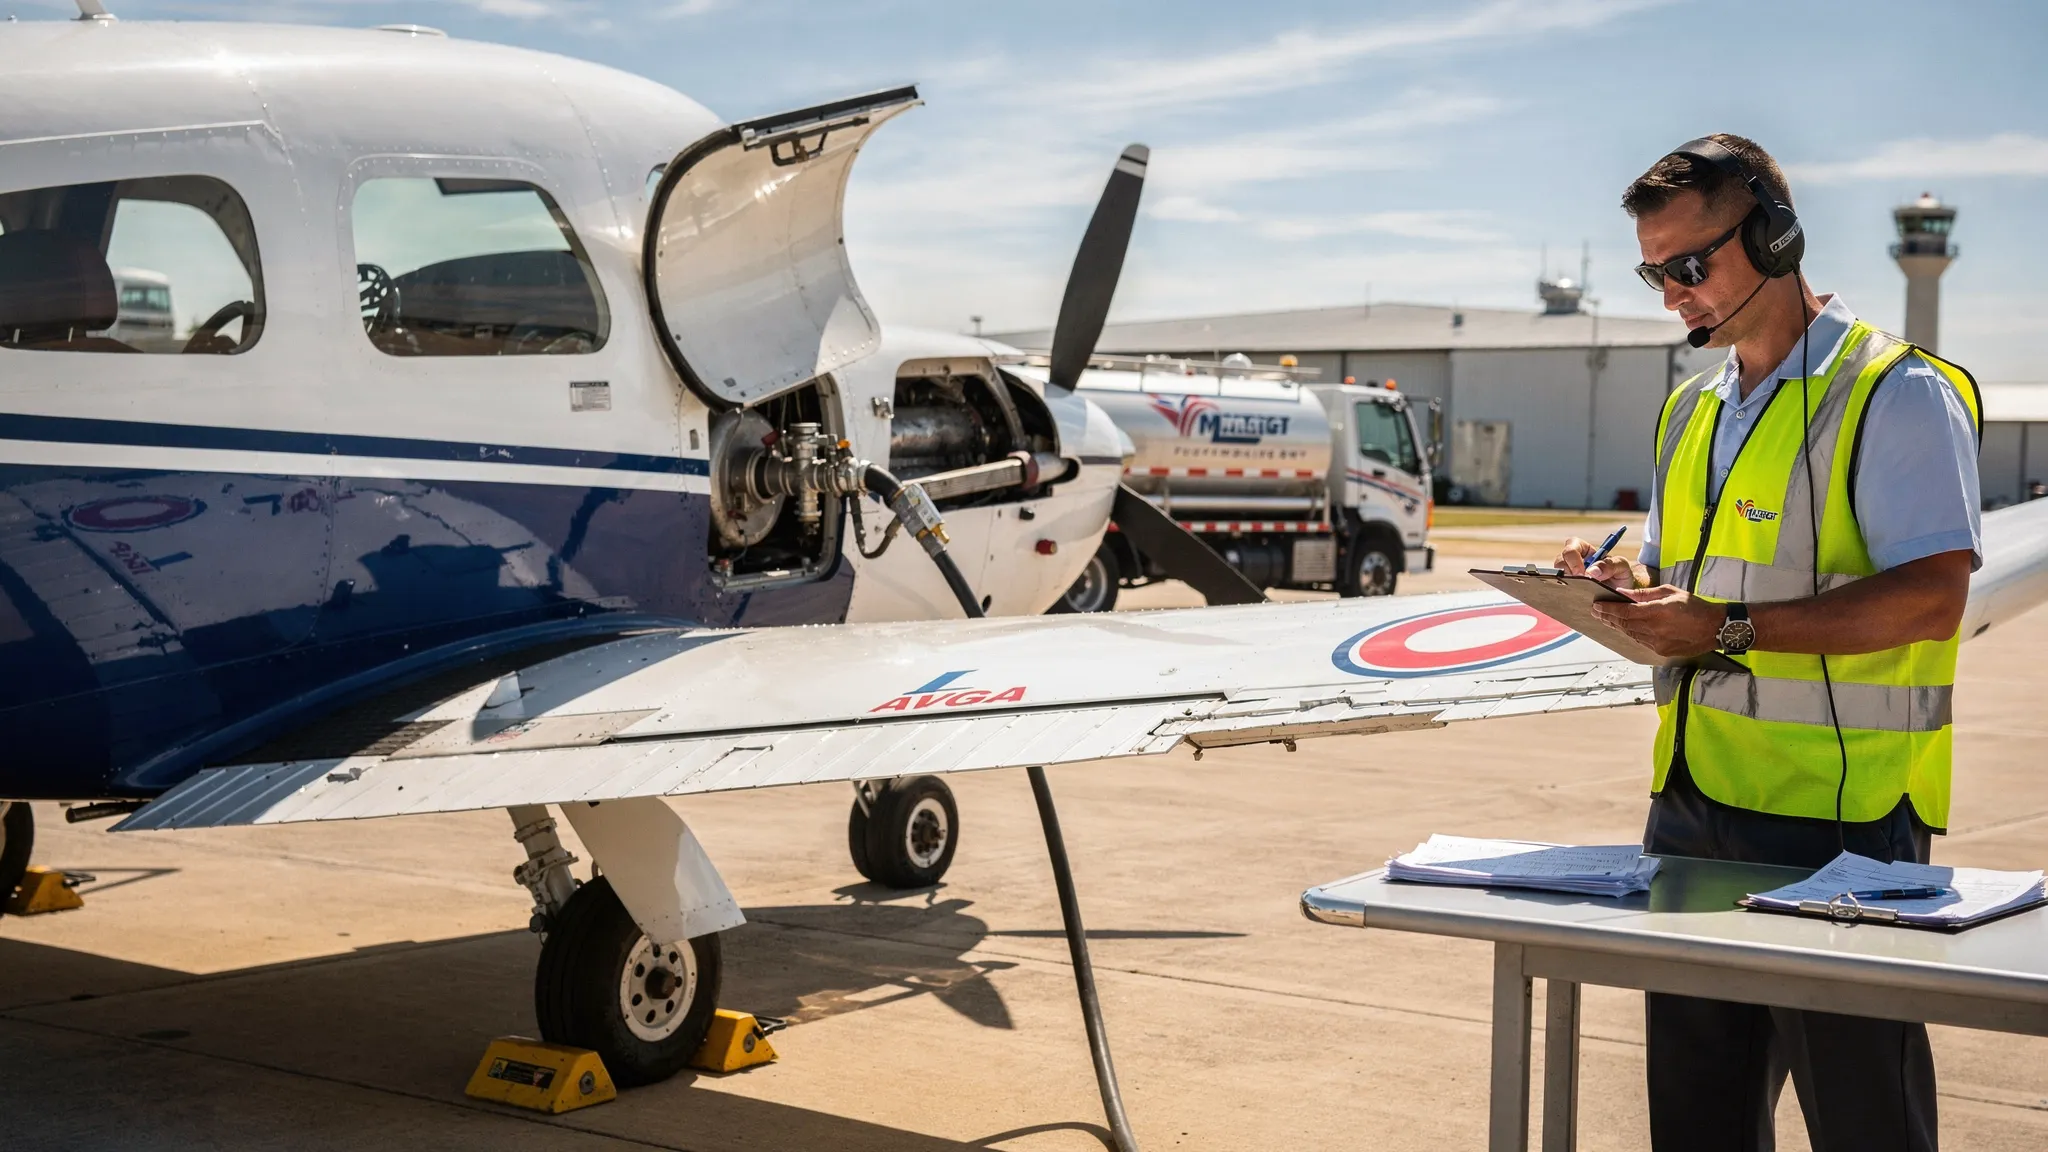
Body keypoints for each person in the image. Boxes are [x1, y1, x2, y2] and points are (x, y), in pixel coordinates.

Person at [1557, 134, 1982, 1152]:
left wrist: (1724, 628)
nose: (1671, 296)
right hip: (1692, 806)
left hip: (1840, 825)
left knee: (1862, 1122)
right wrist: (1614, 587)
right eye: (1651, 273)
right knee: (1697, 1123)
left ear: (1776, 238)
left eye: (1689, 266)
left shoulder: (1894, 392)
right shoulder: (1688, 410)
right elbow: (1688, 586)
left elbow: (1931, 597)